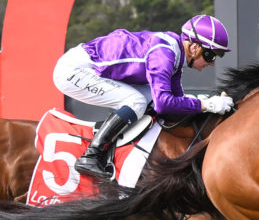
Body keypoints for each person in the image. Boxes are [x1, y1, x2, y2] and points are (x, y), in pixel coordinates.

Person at [52, 14, 236, 179]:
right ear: (194, 47)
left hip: (92, 68)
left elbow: (175, 104)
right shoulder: (164, 55)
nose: (212, 63)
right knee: (136, 101)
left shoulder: (175, 56)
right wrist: (206, 105)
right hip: (74, 70)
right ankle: (92, 155)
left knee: (148, 99)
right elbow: (164, 104)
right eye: (211, 55)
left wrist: (205, 103)